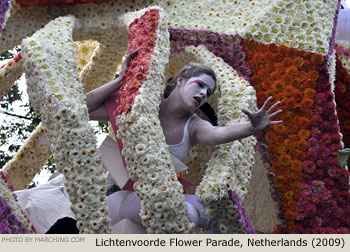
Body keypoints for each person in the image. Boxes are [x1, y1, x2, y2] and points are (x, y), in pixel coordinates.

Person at [85, 50, 282, 233]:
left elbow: (219, 133)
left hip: (160, 198)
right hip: (115, 199)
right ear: (180, 80)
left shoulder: (195, 126)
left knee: (218, 216)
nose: (204, 93)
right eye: (200, 85)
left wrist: (251, 128)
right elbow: (85, 108)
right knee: (186, 213)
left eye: (208, 92)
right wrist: (120, 80)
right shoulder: (142, 106)